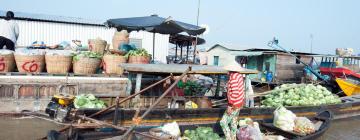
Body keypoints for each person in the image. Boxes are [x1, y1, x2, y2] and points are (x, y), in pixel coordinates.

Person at [220, 62, 246, 140]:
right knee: (233, 123)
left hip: (234, 104)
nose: (227, 72)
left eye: (228, 70)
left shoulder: (233, 78)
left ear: (230, 70)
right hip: (239, 103)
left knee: (223, 122)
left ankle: (229, 138)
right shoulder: (239, 76)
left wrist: (230, 106)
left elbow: (235, 93)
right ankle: (233, 138)